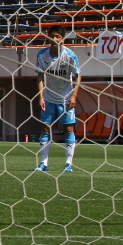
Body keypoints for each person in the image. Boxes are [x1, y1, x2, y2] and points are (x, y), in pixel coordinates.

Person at [33, 24, 82, 173]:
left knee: (68, 128)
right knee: (45, 127)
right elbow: (40, 76)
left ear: (63, 39)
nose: (54, 39)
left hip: (65, 99)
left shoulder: (70, 56)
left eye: (57, 37)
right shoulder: (42, 55)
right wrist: (41, 97)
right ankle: (44, 163)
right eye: (51, 36)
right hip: (49, 98)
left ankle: (68, 163)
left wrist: (74, 95)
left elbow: (78, 75)